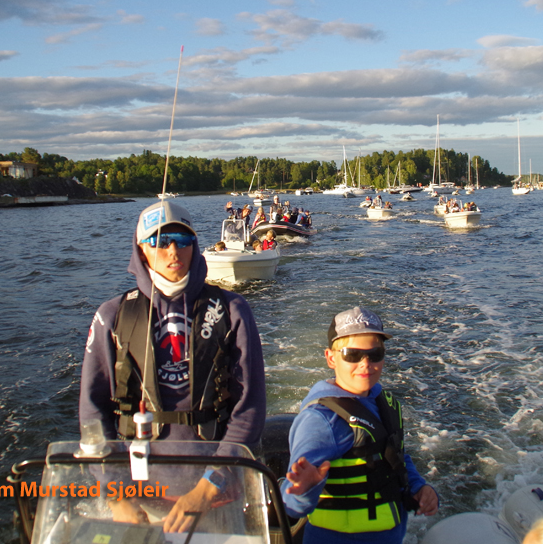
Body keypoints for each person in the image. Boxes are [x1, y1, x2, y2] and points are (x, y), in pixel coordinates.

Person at [79, 201, 266, 533]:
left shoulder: (234, 310)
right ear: (141, 248)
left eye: (182, 240)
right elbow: (93, 412)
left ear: (194, 245)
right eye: (160, 241)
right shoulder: (112, 316)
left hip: (219, 497)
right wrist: (116, 495)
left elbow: (249, 406)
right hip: (138, 499)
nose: (172, 250)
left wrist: (209, 487)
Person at [281, 307, 438, 544]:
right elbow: (290, 505)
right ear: (331, 358)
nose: (365, 364)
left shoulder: (380, 401)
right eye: (352, 354)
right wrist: (304, 489)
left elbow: (394, 455)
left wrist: (419, 487)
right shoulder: (322, 420)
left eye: (375, 354)